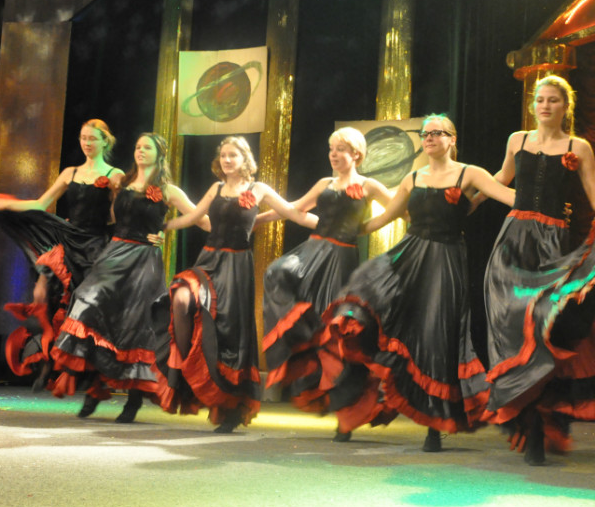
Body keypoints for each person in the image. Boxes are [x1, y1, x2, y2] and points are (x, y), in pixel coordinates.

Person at [480, 75, 595, 465]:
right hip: (512, 241)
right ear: (533, 105)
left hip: (551, 243)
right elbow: (500, 180)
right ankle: (522, 415)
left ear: (565, 107)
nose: (545, 106)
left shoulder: (578, 147)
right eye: (540, 99)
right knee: (506, 322)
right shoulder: (517, 140)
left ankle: (539, 423)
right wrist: (465, 203)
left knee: (541, 326)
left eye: (553, 100)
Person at [326, 115, 515, 452]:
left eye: (436, 133)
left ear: (452, 139)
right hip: (409, 257)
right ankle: (353, 410)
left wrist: (545, 204)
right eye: (425, 134)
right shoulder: (412, 178)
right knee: (370, 314)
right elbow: (384, 218)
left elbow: (508, 195)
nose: (429, 138)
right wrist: (338, 229)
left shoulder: (470, 173)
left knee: (436, 337)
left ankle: (434, 424)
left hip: (445, 261)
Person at [161, 136, 317, 433]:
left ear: (245, 158)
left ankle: (231, 406)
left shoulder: (259, 189)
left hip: (236, 266)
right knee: (181, 298)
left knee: (229, 332)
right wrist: (163, 226)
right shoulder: (216, 188)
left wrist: (328, 225)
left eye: (233, 155)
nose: (227, 160)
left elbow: (293, 212)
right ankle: (186, 369)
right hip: (208, 260)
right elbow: (193, 217)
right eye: (223, 156)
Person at [48, 133, 204, 422]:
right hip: (114, 253)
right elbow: (108, 216)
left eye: (147, 147)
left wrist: (167, 227)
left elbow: (201, 218)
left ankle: (132, 400)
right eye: (137, 146)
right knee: (87, 302)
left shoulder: (168, 190)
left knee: (135, 325)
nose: (140, 151)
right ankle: (95, 385)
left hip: (144, 260)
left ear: (160, 154)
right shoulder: (121, 182)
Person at [0, 119, 125, 389]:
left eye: (92, 138)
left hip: (95, 245)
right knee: (48, 297)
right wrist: (4, 204)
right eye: (83, 137)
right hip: (69, 239)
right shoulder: (70, 173)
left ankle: (85, 370)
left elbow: (119, 217)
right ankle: (49, 360)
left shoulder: (115, 175)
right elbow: (41, 203)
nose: (86, 143)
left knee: (87, 307)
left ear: (105, 141)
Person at [260, 127, 393, 442]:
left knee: (339, 333)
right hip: (312, 253)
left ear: (356, 154)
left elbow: (397, 208)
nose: (333, 155)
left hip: (341, 259)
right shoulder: (324, 184)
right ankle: (302, 347)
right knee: (276, 273)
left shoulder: (369, 185)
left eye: (340, 149)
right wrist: (260, 218)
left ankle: (346, 414)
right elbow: (295, 208)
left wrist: (365, 227)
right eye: (331, 149)